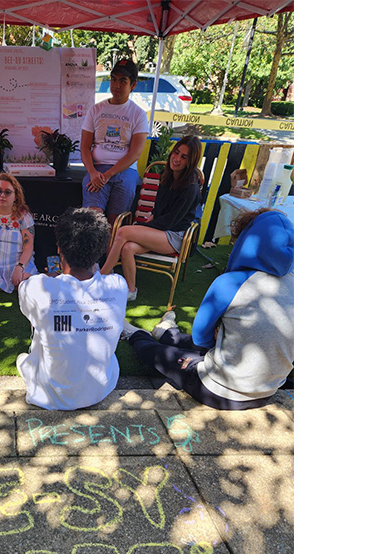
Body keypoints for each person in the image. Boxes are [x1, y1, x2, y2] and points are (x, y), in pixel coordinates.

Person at [121, 208, 293, 410]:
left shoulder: (230, 283)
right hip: (266, 392)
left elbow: (200, 338)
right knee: (212, 341)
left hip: (218, 389)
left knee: (157, 353)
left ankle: (136, 334)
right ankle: (168, 331)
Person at [16, 207, 129, 410]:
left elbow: (27, 302)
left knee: (24, 355)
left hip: (48, 396)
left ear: (59, 248)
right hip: (101, 388)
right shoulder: (118, 286)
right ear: (102, 250)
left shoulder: (37, 288)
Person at [101, 135, 204, 300]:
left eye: (183, 157)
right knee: (128, 248)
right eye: (176, 153)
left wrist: (143, 227)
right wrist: (153, 217)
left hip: (175, 236)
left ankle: (101, 277)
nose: (176, 159)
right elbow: (159, 206)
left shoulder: (191, 188)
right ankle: (131, 291)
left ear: (190, 162)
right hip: (161, 230)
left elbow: (171, 222)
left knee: (123, 231)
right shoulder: (166, 174)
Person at [81, 58, 149, 228]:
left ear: (133, 85)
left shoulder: (138, 114)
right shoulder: (96, 109)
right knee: (92, 220)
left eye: (123, 81)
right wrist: (92, 172)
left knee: (115, 223)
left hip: (125, 172)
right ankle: (93, 254)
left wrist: (109, 174)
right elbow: (84, 146)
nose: (116, 85)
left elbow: (135, 154)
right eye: (113, 79)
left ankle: (111, 254)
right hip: (96, 170)